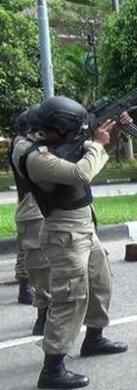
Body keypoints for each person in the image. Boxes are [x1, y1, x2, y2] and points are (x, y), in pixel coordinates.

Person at [19, 96, 129, 388]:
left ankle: (94, 337)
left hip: (84, 226)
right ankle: (52, 369)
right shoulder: (36, 157)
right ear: (61, 129)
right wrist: (96, 141)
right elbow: (83, 172)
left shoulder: (62, 145)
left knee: (100, 282)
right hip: (64, 232)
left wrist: (112, 133)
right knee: (70, 297)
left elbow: (97, 156)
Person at [10, 106, 50, 335]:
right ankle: (41, 311)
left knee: (26, 248)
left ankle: (26, 288)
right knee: (34, 254)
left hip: (26, 202)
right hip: (31, 202)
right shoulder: (22, 147)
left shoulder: (20, 144)